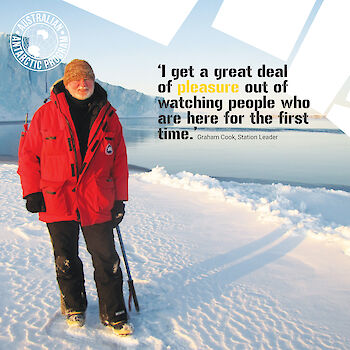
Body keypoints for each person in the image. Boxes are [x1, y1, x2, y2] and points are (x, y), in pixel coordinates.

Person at [17, 59, 133, 336]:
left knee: (106, 258)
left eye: (87, 79)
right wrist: (32, 191)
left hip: (97, 200)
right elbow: (29, 155)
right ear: (66, 83)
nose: (82, 84)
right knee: (65, 258)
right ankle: (74, 306)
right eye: (75, 80)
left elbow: (119, 161)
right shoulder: (45, 114)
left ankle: (114, 312)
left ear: (94, 81)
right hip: (58, 199)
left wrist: (120, 199)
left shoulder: (108, 115)